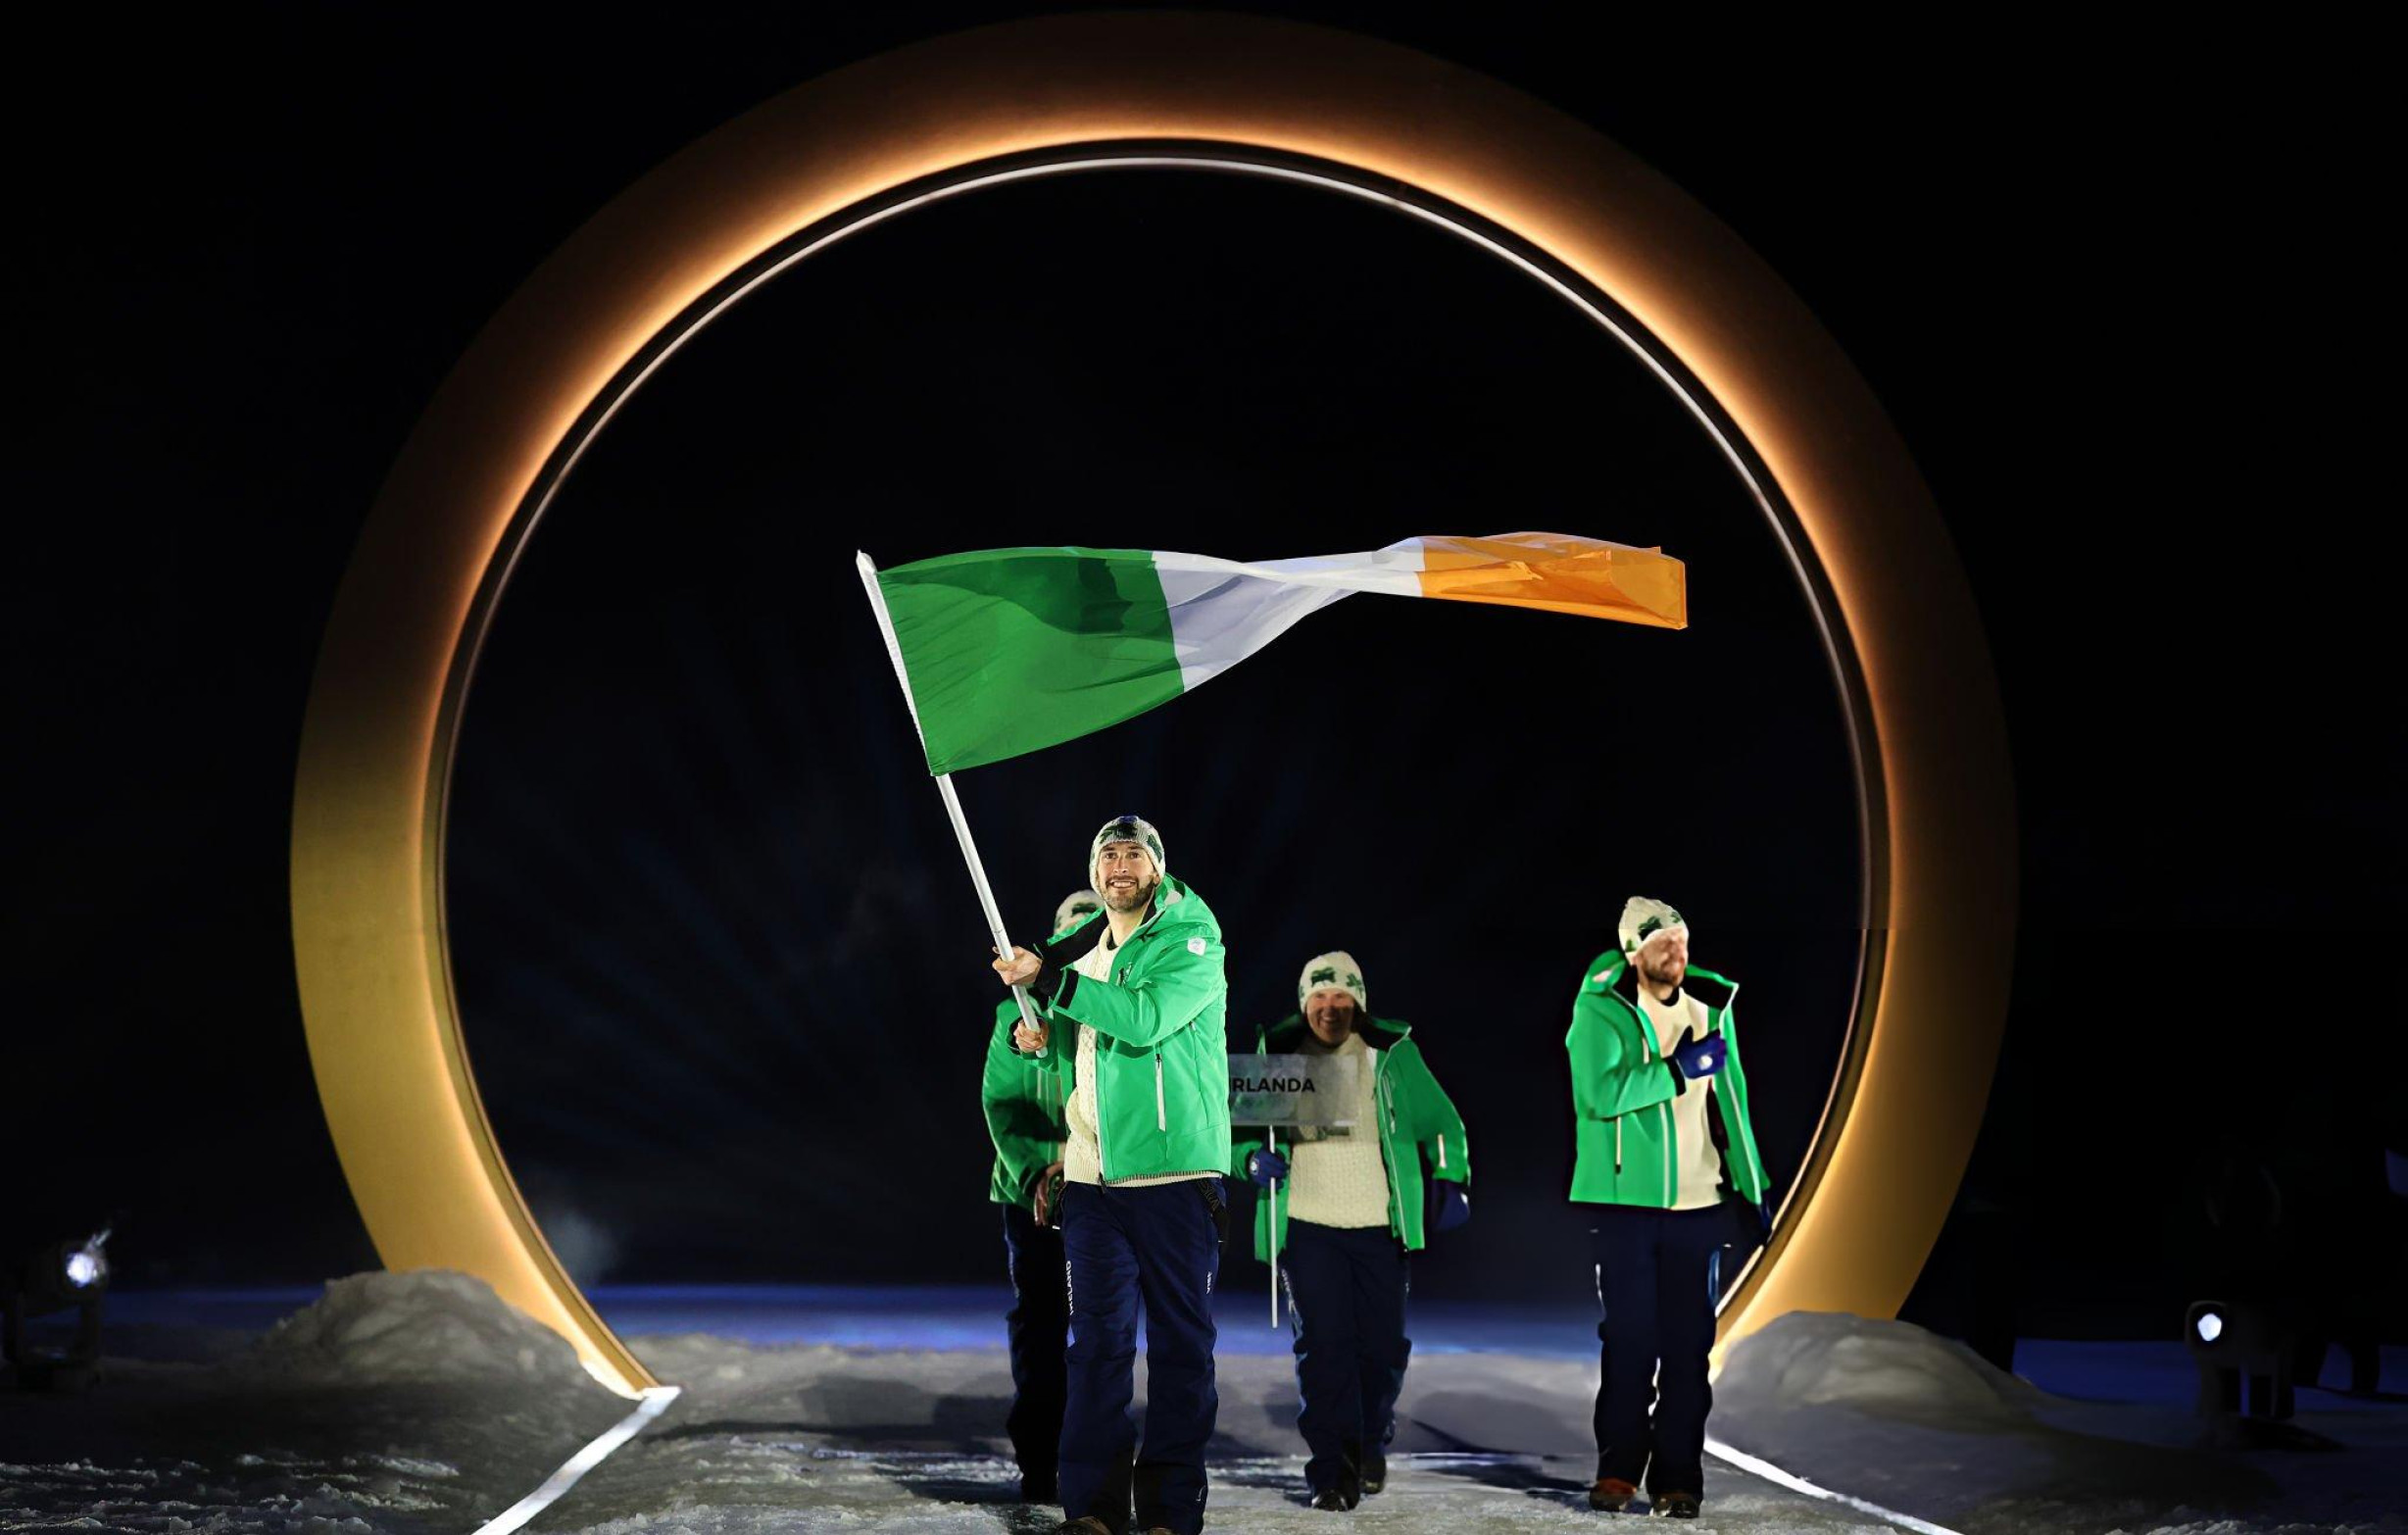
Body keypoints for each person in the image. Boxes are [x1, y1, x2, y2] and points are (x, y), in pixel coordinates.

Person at [992, 817, 1230, 1535]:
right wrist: (1035, 1041)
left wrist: (1051, 980)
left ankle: (1169, 1513)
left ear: (1157, 868)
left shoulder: (1192, 938)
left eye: (1133, 854)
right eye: (1108, 856)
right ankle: (1093, 1511)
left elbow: (1146, 1018)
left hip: (1173, 1176)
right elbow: (1080, 1049)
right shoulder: (1089, 949)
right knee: (1095, 1349)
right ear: (1094, 873)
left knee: (1181, 1349)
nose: (1119, 866)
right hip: (1092, 1181)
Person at [1231, 951, 1469, 1510]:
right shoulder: (1281, 1054)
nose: (1330, 1007)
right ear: (1304, 1003)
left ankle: (1369, 1440)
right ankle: (1331, 1471)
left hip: (1380, 1226)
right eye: (1319, 996)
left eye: (1341, 996)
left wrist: (1451, 1178)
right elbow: (1235, 1132)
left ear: (1358, 1003)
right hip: (1307, 1224)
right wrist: (1250, 1160)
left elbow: (1443, 1124)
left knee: (1383, 1349)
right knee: (1324, 1348)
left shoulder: (1392, 1056)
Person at [1566, 898, 1770, 1520]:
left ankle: (1678, 1480)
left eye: (1681, 940)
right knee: (1630, 1341)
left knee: (1688, 1351)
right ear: (1634, 952)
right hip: (1624, 1206)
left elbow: (1732, 1100)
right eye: (1662, 943)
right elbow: (1598, 1096)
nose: (1676, 951)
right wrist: (1677, 1069)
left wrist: (1753, 1186)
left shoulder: (1710, 1007)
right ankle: (1618, 1470)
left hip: (1700, 1204)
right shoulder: (1599, 1008)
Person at [980, 888, 1100, 1505]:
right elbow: (1001, 1104)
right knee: (1042, 1322)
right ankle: (1040, 1459)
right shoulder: (1015, 1014)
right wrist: (1037, 1173)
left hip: (1104, 1187)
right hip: (1034, 1197)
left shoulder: (1117, 1012)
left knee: (1103, 1329)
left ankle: (1097, 1454)